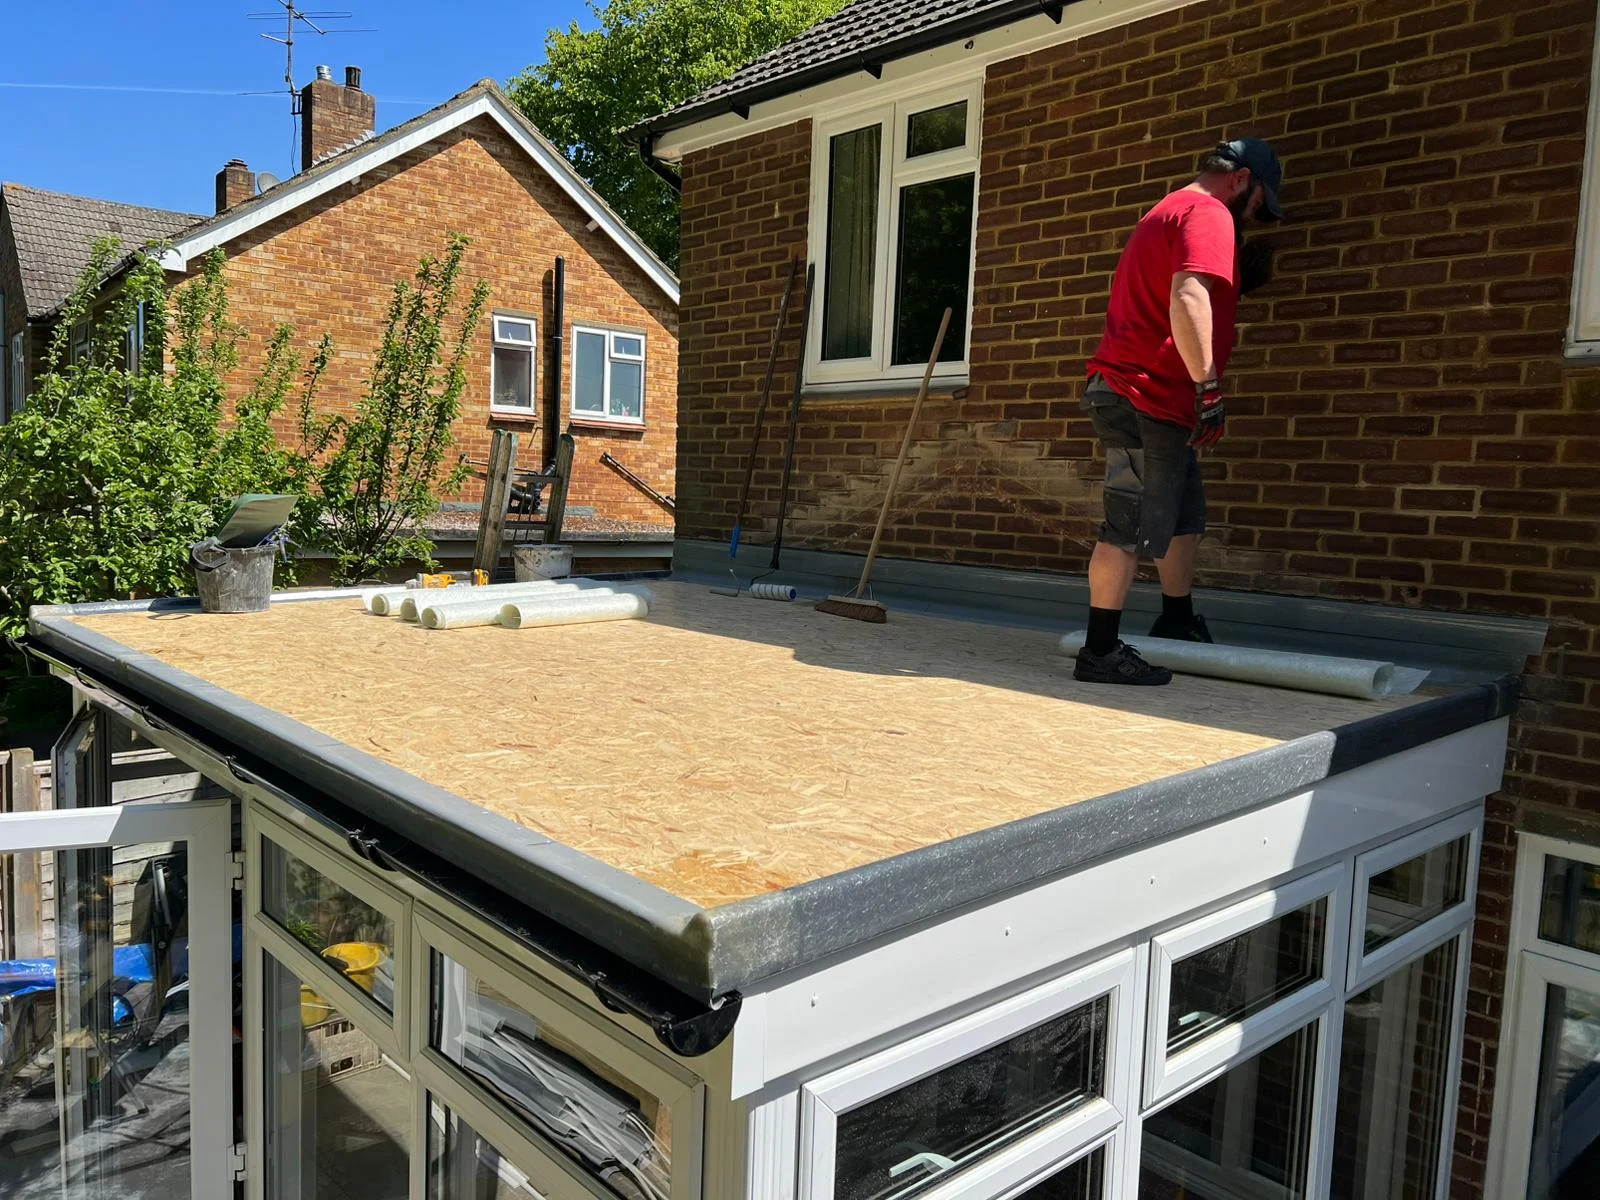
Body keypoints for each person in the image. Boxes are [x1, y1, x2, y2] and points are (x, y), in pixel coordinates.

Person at [1074, 138, 1282, 686]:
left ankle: (1177, 620)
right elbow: (1188, 294)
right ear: (1241, 180)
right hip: (1142, 394)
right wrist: (1209, 388)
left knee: (1184, 514)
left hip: (1152, 396)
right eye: (1260, 205)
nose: (1255, 218)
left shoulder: (1170, 210)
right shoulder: (1208, 212)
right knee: (1129, 523)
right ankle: (1099, 651)